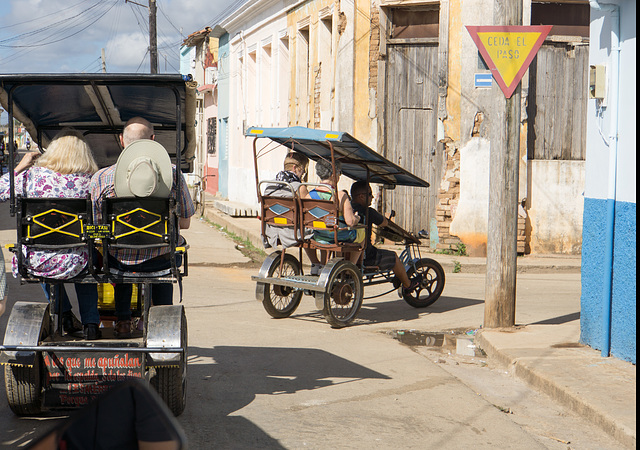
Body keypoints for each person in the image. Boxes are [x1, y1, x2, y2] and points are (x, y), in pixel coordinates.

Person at [90, 117, 195, 338]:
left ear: (121, 141)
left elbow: (97, 224)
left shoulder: (101, 178)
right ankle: (162, 316)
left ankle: (123, 320)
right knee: (166, 256)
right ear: (153, 140)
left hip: (118, 260)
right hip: (161, 257)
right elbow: (184, 222)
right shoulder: (173, 175)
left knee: (120, 260)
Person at [0, 129, 101, 340]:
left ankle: (64, 315)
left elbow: (1, 190)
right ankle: (91, 323)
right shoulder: (91, 181)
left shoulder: (29, 177)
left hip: (36, 260)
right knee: (90, 258)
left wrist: (20, 166)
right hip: (76, 261)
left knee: (41, 247)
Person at [350, 180, 419, 296]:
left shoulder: (347, 209)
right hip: (367, 256)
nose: (372, 197)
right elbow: (384, 223)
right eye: (370, 194)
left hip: (348, 252)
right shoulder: (369, 212)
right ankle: (408, 285)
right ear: (361, 196)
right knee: (394, 257)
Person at [263, 152, 323, 274]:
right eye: (303, 171)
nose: (302, 175)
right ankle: (318, 264)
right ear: (295, 168)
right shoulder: (298, 187)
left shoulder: (269, 185)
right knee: (317, 228)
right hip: (292, 232)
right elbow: (310, 209)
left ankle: (316, 264)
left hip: (272, 230)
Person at [306, 159, 363, 264]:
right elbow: (350, 222)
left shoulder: (308, 196)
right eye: (339, 173)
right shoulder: (340, 195)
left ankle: (323, 264)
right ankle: (351, 266)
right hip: (339, 235)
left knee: (326, 228)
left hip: (319, 235)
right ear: (333, 175)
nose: (339, 176)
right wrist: (357, 218)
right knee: (362, 232)